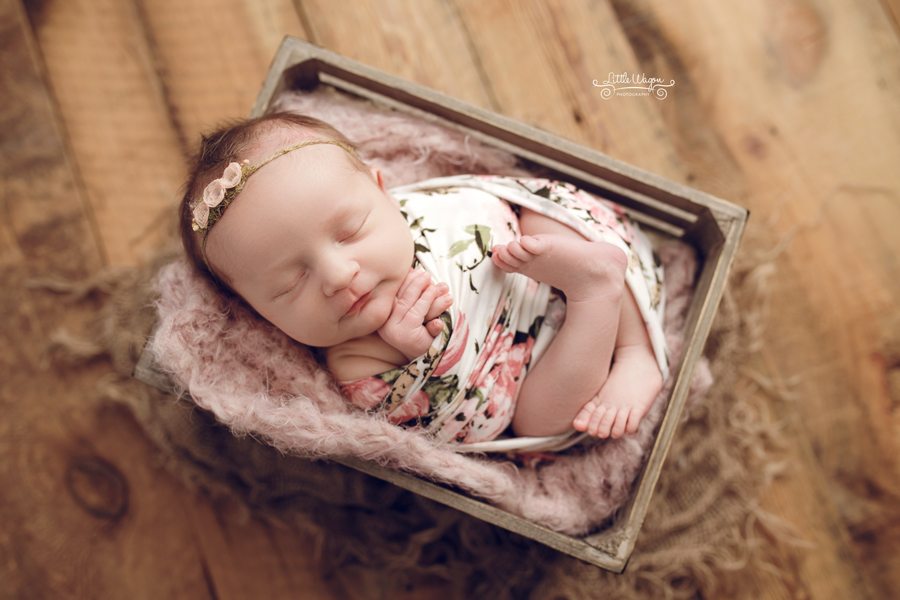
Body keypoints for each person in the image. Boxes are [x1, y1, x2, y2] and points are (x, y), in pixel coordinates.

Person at [180, 111, 668, 450]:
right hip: (535, 367)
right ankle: (598, 304)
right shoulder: (355, 358)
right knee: (538, 418)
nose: (337, 276)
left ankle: (632, 343)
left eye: (350, 231)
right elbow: (467, 424)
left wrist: (505, 213)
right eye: (289, 285)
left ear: (381, 189)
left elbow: (494, 197)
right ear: (254, 311)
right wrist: (424, 355)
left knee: (544, 212)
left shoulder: (423, 206)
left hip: (534, 265)